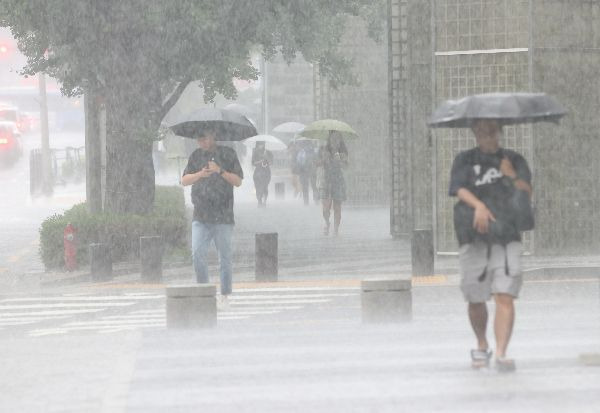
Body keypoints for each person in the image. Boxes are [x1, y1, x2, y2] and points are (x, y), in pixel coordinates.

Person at [449, 119, 532, 372]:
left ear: (500, 132)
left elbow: (527, 189)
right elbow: (458, 189)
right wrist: (479, 206)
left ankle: (502, 352)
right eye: (483, 131)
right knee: (475, 296)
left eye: (492, 131)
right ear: (475, 133)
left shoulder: (514, 159)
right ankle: (482, 342)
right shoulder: (464, 160)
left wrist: (511, 175)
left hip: (507, 236)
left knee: (505, 294)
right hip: (474, 236)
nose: (488, 136)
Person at [181, 127, 243, 304]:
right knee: (197, 253)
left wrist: (220, 171)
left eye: (204, 138)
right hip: (200, 215)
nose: (201, 142)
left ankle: (225, 294)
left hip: (223, 215)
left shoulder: (228, 154)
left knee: (224, 256)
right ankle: (204, 292)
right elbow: (184, 180)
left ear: (213, 136)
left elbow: (238, 181)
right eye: (199, 139)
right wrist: (201, 174)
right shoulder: (195, 156)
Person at [317, 131, 348, 236]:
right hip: (326, 181)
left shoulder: (342, 151)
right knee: (325, 207)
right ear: (329, 139)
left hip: (338, 181)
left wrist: (341, 160)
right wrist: (323, 160)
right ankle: (327, 222)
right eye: (333, 138)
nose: (335, 141)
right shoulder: (323, 150)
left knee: (337, 207)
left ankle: (336, 229)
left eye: (337, 138)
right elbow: (316, 163)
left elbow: (346, 166)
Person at [295, 140, 318, 205]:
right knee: (313, 186)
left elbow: (298, 162)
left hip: (305, 171)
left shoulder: (301, 152)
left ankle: (306, 202)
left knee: (306, 186)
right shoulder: (312, 151)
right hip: (309, 171)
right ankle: (315, 200)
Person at [251, 141, 273, 207]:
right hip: (257, 172)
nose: (260, 146)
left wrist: (266, 158)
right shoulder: (255, 152)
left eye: (262, 144)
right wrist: (260, 161)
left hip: (266, 172)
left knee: (265, 187)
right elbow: (253, 163)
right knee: (257, 187)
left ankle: (265, 201)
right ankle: (259, 201)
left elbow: (271, 163)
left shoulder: (268, 152)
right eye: (259, 144)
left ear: (264, 144)